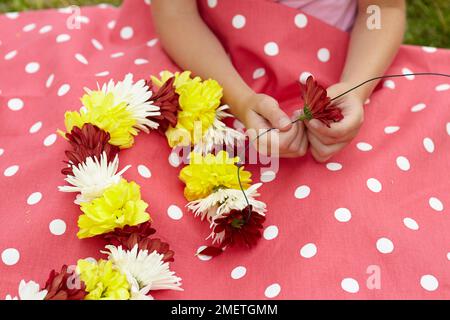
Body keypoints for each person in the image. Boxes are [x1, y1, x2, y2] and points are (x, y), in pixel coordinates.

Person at [152, 0, 406, 161]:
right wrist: (240, 100)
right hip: (207, 62)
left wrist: (356, 88)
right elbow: (177, 14)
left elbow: (380, 9)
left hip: (347, 69)